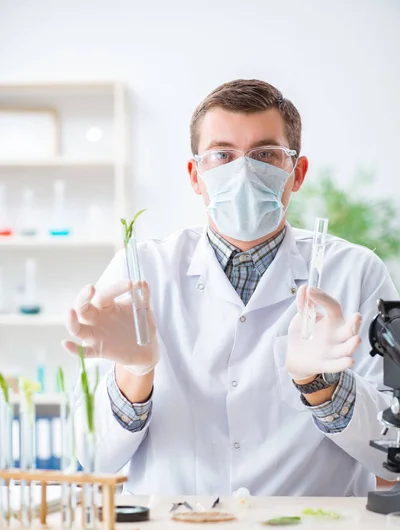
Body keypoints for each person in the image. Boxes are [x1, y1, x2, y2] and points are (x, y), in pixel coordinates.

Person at [64, 79, 398, 497]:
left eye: (265, 155)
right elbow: (92, 456)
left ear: (297, 173)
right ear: (195, 175)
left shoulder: (355, 272)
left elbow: (393, 455)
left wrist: (322, 384)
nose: (243, 171)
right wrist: (135, 372)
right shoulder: (140, 270)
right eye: (222, 155)